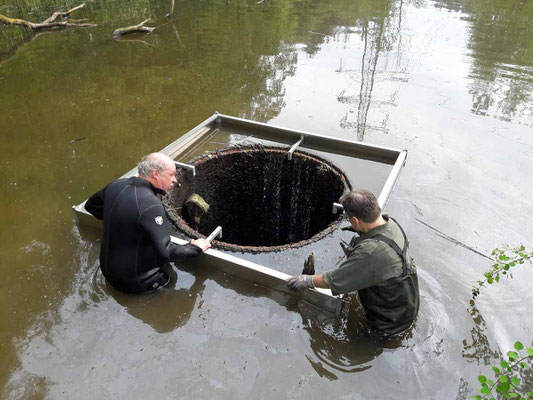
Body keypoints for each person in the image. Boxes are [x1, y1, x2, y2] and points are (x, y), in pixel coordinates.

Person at [286, 189, 419, 335]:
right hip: (406, 304)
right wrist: (362, 231)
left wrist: (307, 280)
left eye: (350, 219)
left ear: (356, 220)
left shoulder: (371, 252)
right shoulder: (390, 223)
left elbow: (334, 280)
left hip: (388, 323)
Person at [85, 152, 211, 294]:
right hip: (139, 282)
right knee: (174, 285)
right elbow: (167, 252)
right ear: (156, 174)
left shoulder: (116, 185)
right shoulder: (151, 205)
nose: (175, 180)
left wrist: (123, 223)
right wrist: (195, 248)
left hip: (108, 272)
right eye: (171, 175)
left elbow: (90, 206)